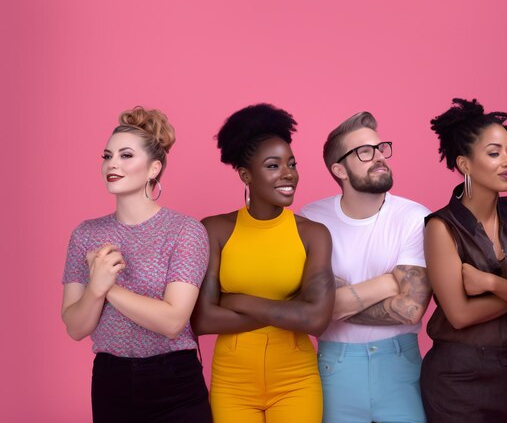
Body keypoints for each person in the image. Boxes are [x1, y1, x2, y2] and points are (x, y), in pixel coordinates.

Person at [61, 107, 212, 423]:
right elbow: (75, 326)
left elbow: (172, 321)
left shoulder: (185, 231)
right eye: (107, 156)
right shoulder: (85, 234)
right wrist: (95, 290)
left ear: (154, 168)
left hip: (174, 381)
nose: (111, 164)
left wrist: (107, 288)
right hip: (109, 379)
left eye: (125, 155)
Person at [191, 103, 335, 423]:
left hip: (296, 380)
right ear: (246, 175)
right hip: (233, 382)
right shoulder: (215, 230)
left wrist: (237, 300)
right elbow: (201, 319)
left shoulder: (313, 234)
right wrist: (288, 311)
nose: (288, 174)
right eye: (273, 165)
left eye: (292, 163)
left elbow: (316, 320)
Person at [420, 98, 507, 422]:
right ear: (465, 165)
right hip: (454, 381)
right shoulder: (441, 227)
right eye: (494, 153)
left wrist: (491, 283)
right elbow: (460, 315)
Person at [301, 111, 432, 423]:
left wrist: (333, 304)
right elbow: (310, 311)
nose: (379, 158)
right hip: (335, 366)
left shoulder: (414, 218)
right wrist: (387, 283)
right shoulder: (311, 219)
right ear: (339, 169)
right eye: (364, 152)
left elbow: (411, 309)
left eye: (380, 148)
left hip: (400, 365)